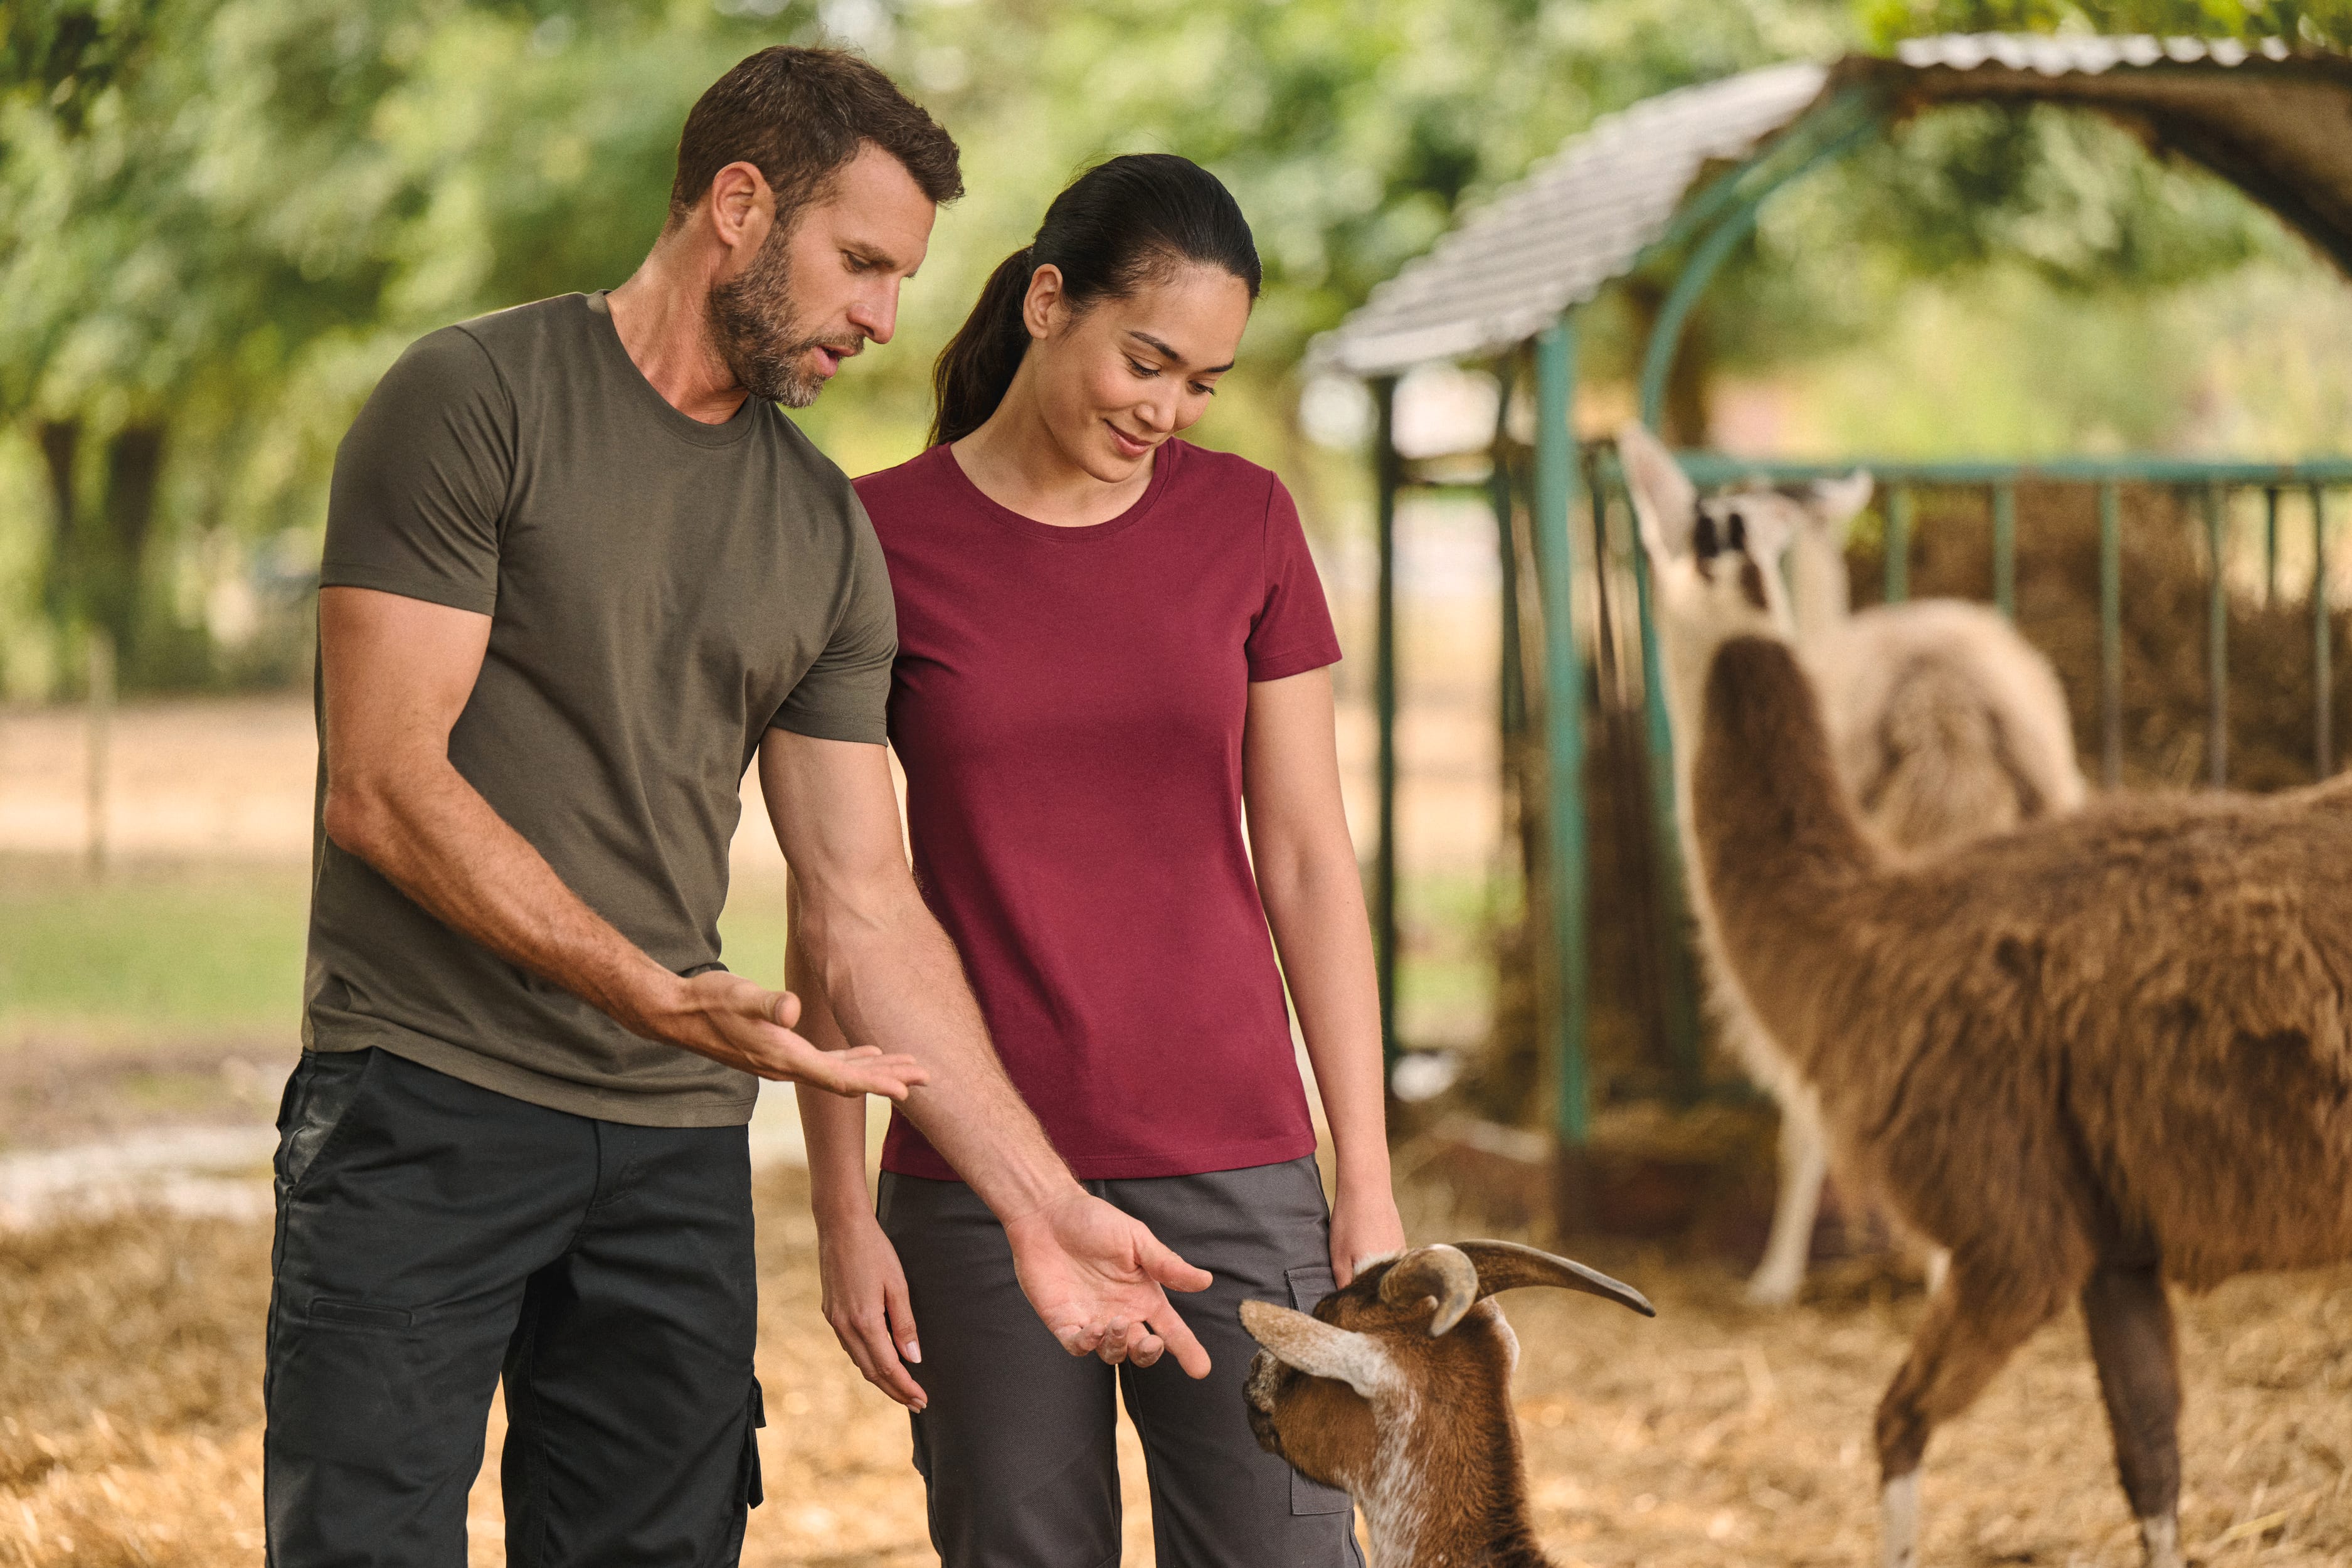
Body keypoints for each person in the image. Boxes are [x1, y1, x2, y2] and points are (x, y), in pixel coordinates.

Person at [275, 51, 1215, 1568]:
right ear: (738, 205)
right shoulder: (473, 398)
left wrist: (1041, 1202)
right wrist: (650, 987)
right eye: (859, 263)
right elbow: (384, 783)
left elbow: (863, 894)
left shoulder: (822, 529)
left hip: (672, 1147)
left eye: (902, 278)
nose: (885, 318)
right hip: (427, 1097)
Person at [794, 153, 1406, 1567]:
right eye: (1148, 359)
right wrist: (842, 1207)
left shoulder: (1244, 521)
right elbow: (838, 907)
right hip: (971, 1178)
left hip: (1243, 1172)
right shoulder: (870, 541)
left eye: (1202, 380)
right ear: (1049, 301)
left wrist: (1360, 1177)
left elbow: (1311, 859)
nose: (1167, 408)